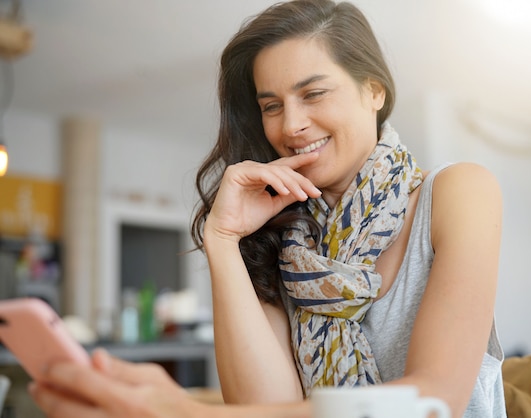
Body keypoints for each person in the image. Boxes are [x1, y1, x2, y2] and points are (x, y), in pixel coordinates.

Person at [29, 1, 506, 417]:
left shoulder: (459, 192)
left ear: (374, 91)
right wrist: (223, 240)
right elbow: (264, 403)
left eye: (313, 93)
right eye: (271, 105)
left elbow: (433, 401)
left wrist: (184, 413)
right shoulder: (287, 241)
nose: (292, 125)